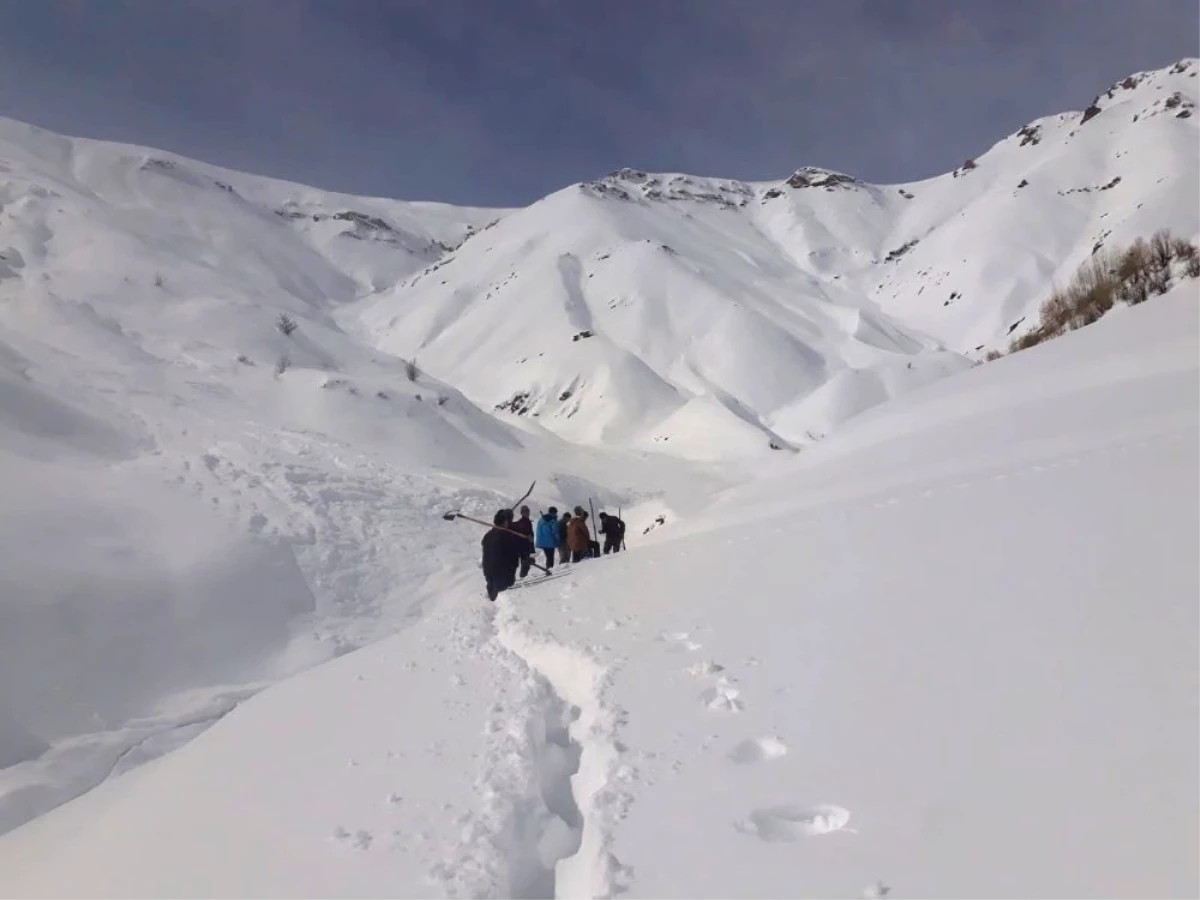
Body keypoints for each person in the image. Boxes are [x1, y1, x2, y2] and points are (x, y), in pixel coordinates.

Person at [481, 509, 524, 601]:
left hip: (488, 571)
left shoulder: (488, 535)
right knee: (502, 599)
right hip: (503, 573)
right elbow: (513, 552)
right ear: (505, 521)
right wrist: (524, 558)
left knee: (493, 596)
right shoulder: (506, 536)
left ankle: (490, 607)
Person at [511, 505, 535, 578]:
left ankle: (523, 576)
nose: (527, 513)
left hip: (526, 546)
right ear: (522, 513)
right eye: (525, 512)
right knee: (525, 563)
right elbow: (514, 528)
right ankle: (523, 577)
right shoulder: (521, 522)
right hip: (523, 546)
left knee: (525, 563)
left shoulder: (528, 522)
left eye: (527, 511)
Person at [534, 507, 560, 572]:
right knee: (550, 557)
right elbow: (555, 532)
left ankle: (548, 568)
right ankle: (549, 569)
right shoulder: (553, 521)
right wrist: (559, 540)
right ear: (554, 513)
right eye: (555, 513)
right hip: (550, 542)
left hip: (541, 541)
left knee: (548, 556)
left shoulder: (541, 519)